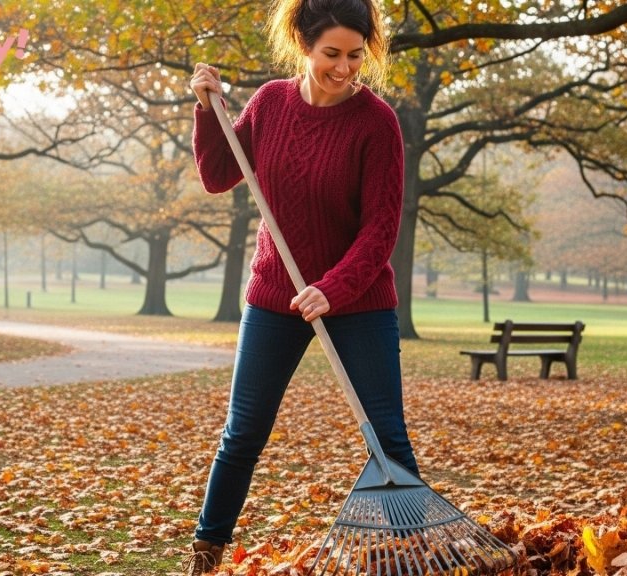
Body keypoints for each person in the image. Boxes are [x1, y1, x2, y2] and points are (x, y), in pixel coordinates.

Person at [185, 0, 419, 573]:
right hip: (275, 294)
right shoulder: (269, 104)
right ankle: (206, 551)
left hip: (358, 300)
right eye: (330, 54)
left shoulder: (377, 122)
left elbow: (380, 228)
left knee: (388, 439)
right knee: (242, 435)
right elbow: (219, 174)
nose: (344, 68)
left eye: (356, 55)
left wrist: (333, 288)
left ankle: (418, 548)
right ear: (303, 44)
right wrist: (205, 111)